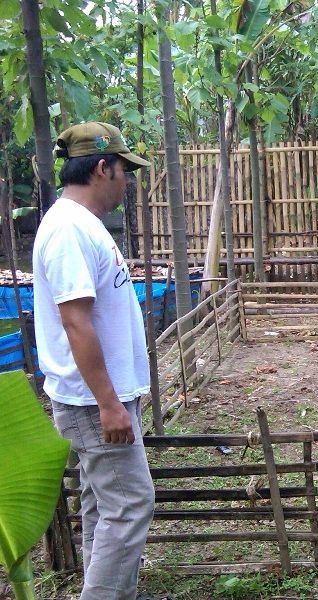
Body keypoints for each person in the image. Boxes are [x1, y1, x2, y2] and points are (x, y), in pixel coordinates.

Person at [33, 122, 154, 599]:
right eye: (125, 170)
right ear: (103, 168)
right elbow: (76, 322)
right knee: (130, 505)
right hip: (93, 401)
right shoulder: (67, 230)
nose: (129, 181)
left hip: (102, 396)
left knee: (103, 506)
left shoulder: (83, 225)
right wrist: (108, 403)